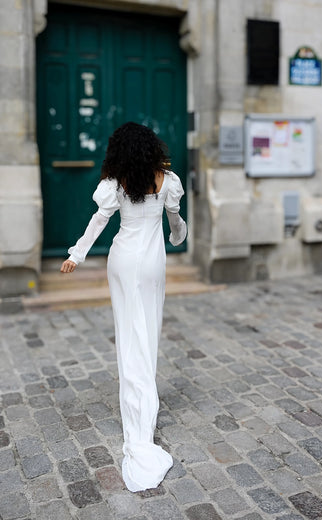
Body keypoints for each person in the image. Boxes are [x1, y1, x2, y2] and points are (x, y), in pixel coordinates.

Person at [60, 122, 187, 491]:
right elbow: (175, 225)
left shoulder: (116, 183)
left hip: (122, 259)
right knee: (147, 333)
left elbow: (98, 221)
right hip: (151, 264)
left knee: (128, 335)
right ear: (150, 147)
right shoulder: (167, 180)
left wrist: (76, 255)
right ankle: (142, 405)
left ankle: (138, 409)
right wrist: (179, 234)